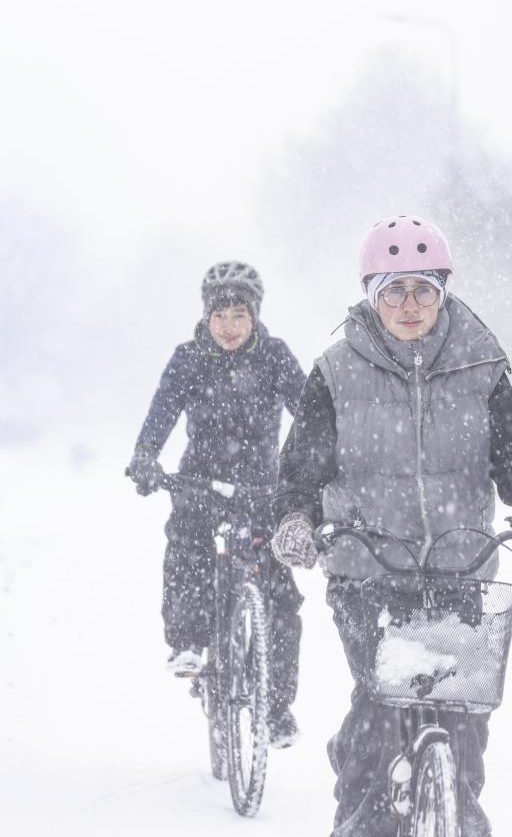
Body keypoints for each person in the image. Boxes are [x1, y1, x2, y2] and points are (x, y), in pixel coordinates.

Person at [271, 215, 512, 835]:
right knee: (382, 714)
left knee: (463, 721)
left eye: (422, 290)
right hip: (366, 570)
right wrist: (297, 520)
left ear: (443, 290)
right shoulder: (334, 372)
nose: (410, 305)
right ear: (371, 295)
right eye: (393, 291)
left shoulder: (482, 365)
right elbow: (301, 469)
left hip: (461, 567)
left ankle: (457, 813)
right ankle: (362, 819)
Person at [127, 260, 306, 748]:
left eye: (239, 315)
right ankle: (188, 643)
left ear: (255, 317)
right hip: (199, 484)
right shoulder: (188, 359)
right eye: (220, 315)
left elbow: (310, 415)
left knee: (281, 595)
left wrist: (321, 467)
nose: (228, 326)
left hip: (262, 492)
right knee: (187, 547)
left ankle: (276, 707)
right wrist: (146, 456)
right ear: (206, 316)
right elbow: (161, 411)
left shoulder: (274, 356)